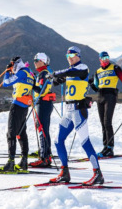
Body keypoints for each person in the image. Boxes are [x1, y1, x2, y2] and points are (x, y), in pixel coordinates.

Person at [48, 46, 104, 185]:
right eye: (67, 56)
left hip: (79, 111)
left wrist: (56, 73)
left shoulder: (82, 68)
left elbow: (68, 72)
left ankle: (98, 174)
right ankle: (64, 172)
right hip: (68, 112)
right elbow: (58, 79)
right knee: (57, 141)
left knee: (85, 142)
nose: (70, 58)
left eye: (72, 55)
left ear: (78, 55)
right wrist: (52, 78)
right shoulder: (70, 72)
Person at [0, 56, 34, 172]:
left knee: (11, 133)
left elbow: (6, 83)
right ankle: (24, 161)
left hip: (17, 105)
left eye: (12, 66)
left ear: (16, 64)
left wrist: (7, 72)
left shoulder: (22, 73)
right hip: (25, 106)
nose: (12, 69)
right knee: (21, 133)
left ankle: (11, 162)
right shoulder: (29, 72)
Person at [29, 53, 56, 168]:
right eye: (34, 60)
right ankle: (46, 155)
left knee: (42, 129)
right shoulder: (43, 73)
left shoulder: (44, 73)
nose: (34, 62)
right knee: (44, 129)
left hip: (43, 103)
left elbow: (42, 89)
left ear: (43, 61)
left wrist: (30, 83)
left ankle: (44, 158)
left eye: (36, 60)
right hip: (44, 103)